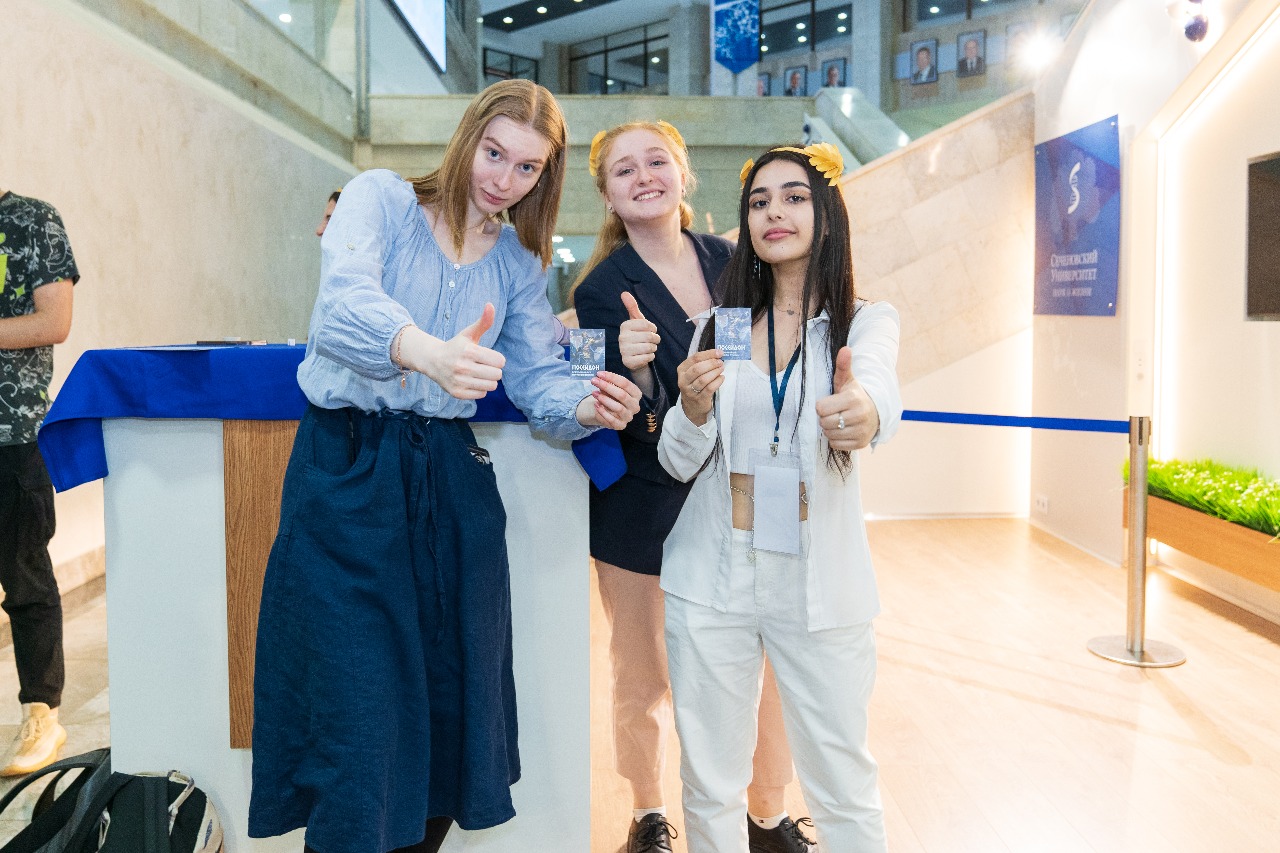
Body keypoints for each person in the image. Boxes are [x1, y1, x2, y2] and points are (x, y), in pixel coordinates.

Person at [248, 80, 642, 853]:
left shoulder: (518, 264)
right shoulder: (381, 200)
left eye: (527, 167)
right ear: (468, 136)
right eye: (494, 153)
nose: (503, 178)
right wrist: (425, 352)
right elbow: (340, 307)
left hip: (452, 487)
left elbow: (538, 379)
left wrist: (594, 404)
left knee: (447, 712)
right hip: (348, 473)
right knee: (357, 713)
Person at [573, 122, 816, 853]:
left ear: (683, 174)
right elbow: (596, 406)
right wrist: (633, 370)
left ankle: (766, 812)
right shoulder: (598, 291)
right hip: (643, 508)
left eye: (656, 161)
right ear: (607, 194)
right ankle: (648, 812)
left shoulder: (735, 260)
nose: (644, 176)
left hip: (742, 497)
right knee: (642, 672)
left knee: (762, 668)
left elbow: (761, 368)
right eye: (624, 169)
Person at [657, 144, 902, 851]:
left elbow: (877, 389)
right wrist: (690, 409)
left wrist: (865, 412)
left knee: (842, 783)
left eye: (795, 196)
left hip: (818, 581)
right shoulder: (721, 325)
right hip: (713, 576)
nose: (775, 212)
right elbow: (677, 460)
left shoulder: (862, 321)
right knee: (710, 782)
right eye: (760, 201)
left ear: (827, 213)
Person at [0, 188, 77, 777]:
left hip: (12, 433)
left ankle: (41, 712)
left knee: (24, 576)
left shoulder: (31, 220)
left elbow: (55, 320)